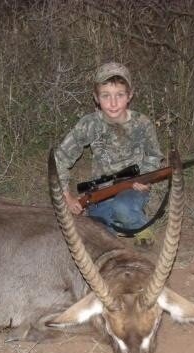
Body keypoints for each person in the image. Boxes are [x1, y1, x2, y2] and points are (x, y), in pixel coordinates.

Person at [55, 62, 163, 243]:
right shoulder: (89, 124)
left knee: (123, 207)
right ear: (96, 98)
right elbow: (60, 158)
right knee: (100, 233)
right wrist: (67, 196)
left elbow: (153, 156)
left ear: (130, 95)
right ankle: (119, 228)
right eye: (106, 96)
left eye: (119, 95)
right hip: (100, 191)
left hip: (132, 188)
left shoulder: (142, 123)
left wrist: (144, 178)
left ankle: (141, 227)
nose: (113, 103)